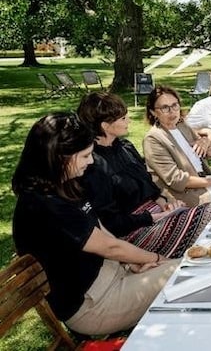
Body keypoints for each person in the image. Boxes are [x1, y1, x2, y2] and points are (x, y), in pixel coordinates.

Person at [12, 114, 177, 335]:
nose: (91, 161)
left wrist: (130, 263)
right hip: (93, 305)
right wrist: (155, 258)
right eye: (85, 156)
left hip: (112, 276)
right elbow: (110, 247)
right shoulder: (44, 205)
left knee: (187, 269)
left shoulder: (66, 184)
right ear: (60, 157)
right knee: (183, 273)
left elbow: (103, 232)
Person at [78, 92, 211, 259]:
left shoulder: (125, 147)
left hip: (157, 215)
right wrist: (153, 217)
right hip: (134, 231)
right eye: (123, 118)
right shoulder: (93, 164)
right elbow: (112, 222)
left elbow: (149, 185)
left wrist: (166, 203)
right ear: (105, 125)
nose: (129, 121)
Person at [143, 85, 211, 207]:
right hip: (187, 194)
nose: (172, 111)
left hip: (205, 181)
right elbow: (176, 180)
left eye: (174, 105)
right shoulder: (153, 139)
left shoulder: (182, 126)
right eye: (165, 108)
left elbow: (210, 154)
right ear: (153, 112)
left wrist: (207, 143)